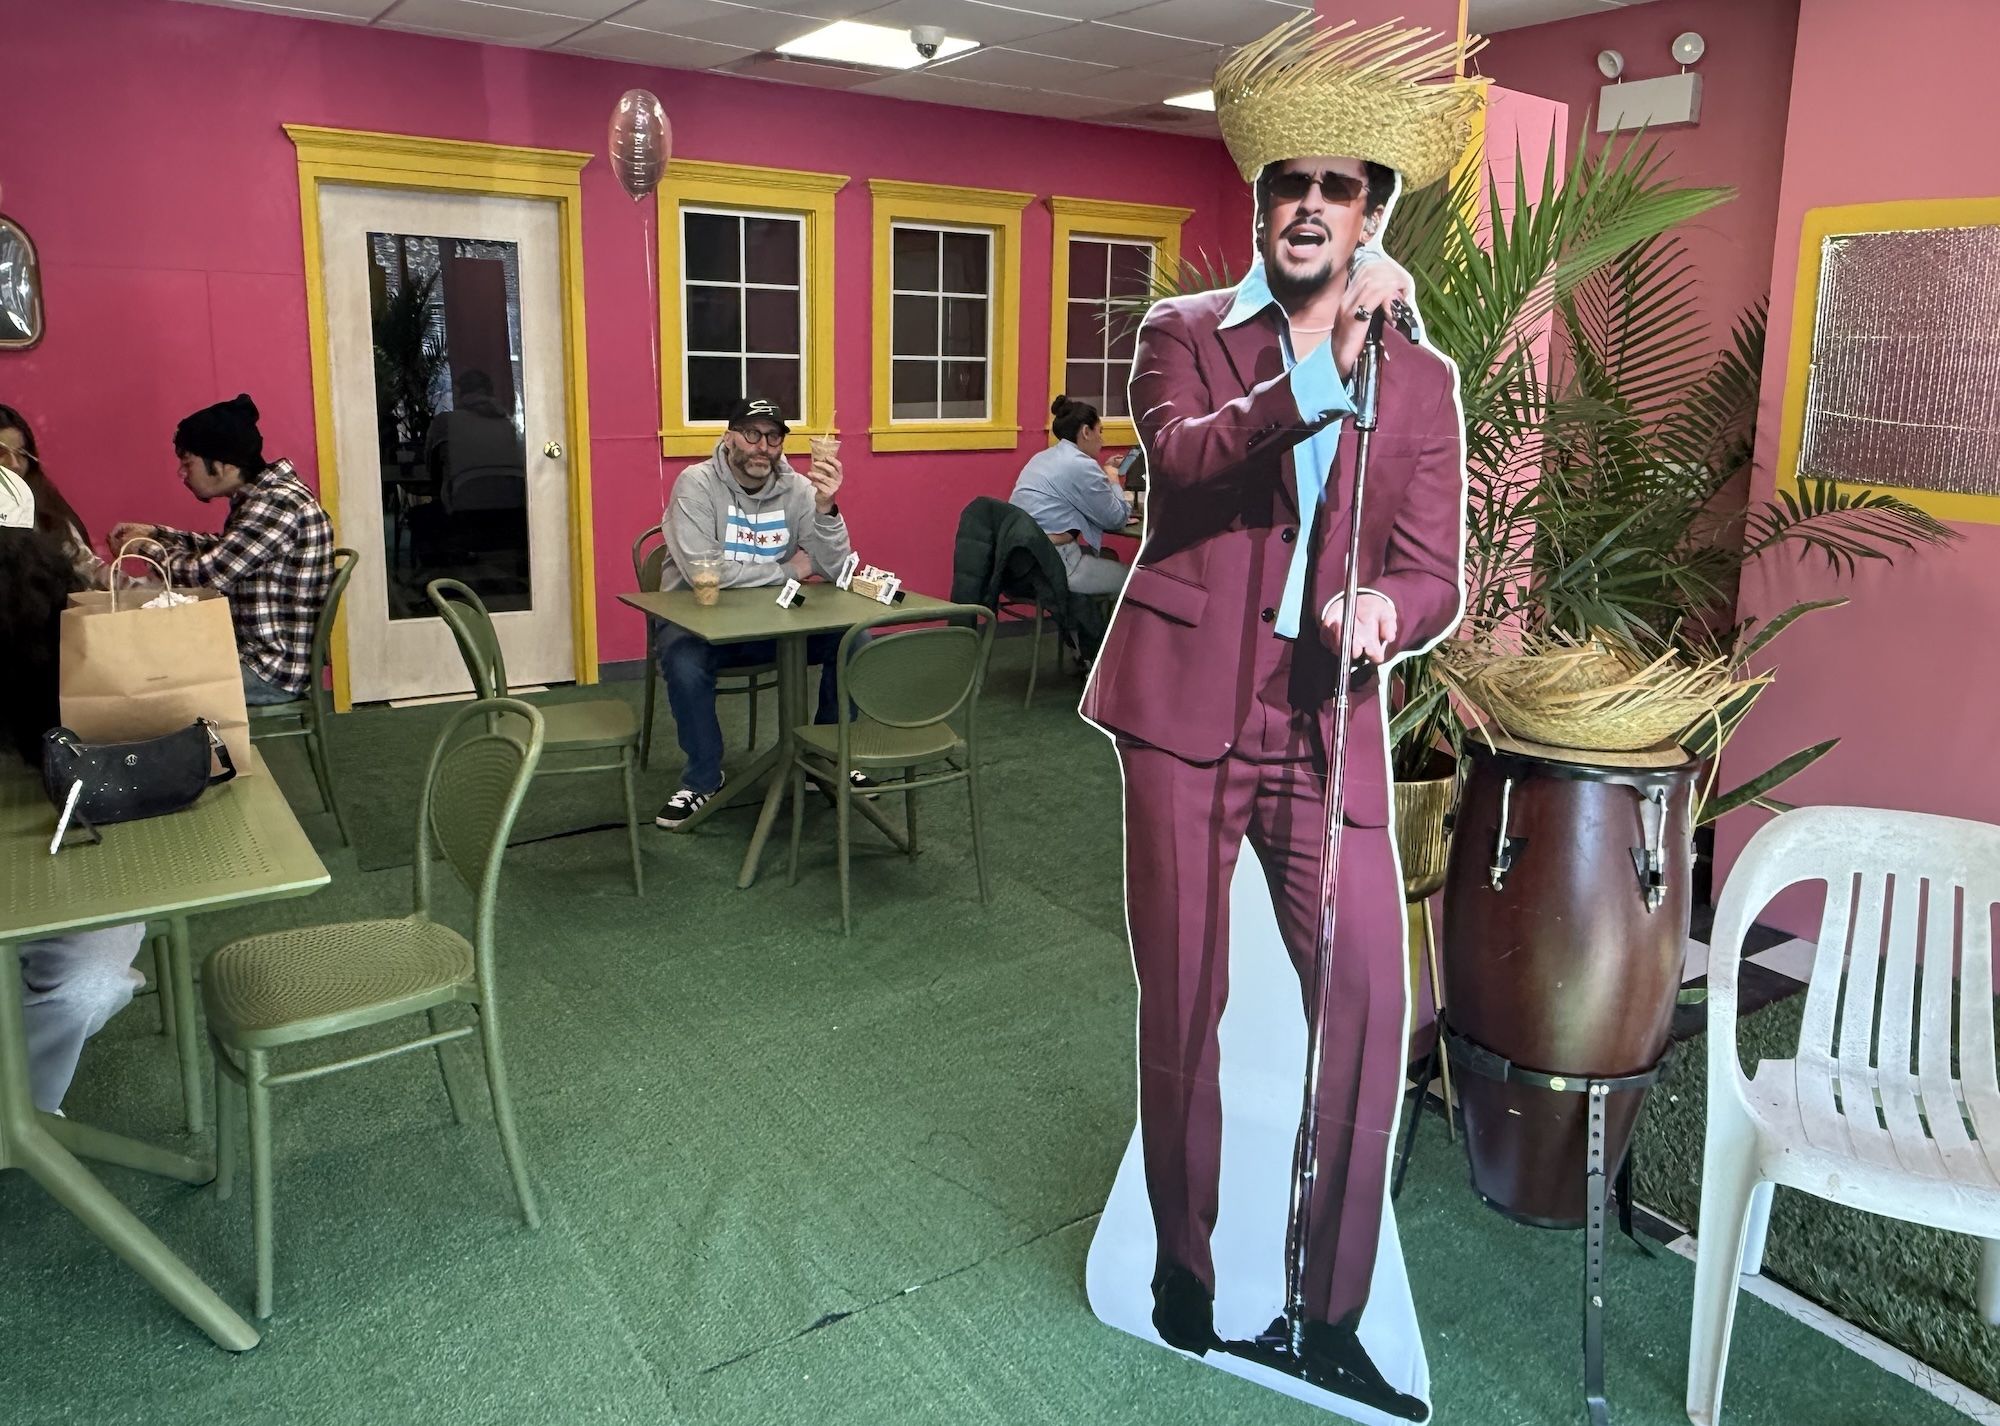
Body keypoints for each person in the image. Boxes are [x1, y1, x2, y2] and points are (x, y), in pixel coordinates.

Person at [1080, 16, 1473, 1418]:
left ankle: (1329, 1310)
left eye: (1339, 187)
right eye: (1287, 184)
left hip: (1322, 725)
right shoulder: (1183, 337)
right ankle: (1186, 1279)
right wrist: (1314, 355)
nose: (1310, 203)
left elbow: (1434, 567)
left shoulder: (1423, 386)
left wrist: (1389, 613)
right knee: (1185, 1000)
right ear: (1261, 206)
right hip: (1182, 709)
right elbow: (1183, 474)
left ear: (1375, 212)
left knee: (1373, 996)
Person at [653, 396, 855, 829]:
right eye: (752, 434)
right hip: (702, 625)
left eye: (774, 436)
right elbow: (702, 571)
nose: (763, 446)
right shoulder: (696, 483)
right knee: (681, 658)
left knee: (853, 638)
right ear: (728, 438)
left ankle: (826, 753)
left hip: (775, 625)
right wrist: (789, 570)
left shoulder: (800, 489)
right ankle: (703, 779)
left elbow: (836, 568)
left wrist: (826, 508)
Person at [0, 526, 145, 1114]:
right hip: (66, 859)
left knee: (87, 979)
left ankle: (25, 1116)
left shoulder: (72, 669)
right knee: (85, 980)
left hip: (74, 860)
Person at [109, 394, 334, 707]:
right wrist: (157, 534)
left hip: (269, 670)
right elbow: (225, 550)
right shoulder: (263, 497)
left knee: (148, 681)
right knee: (151, 664)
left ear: (224, 465)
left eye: (187, 463)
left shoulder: (277, 503)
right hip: (259, 658)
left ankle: (192, 754)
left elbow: (209, 575)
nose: (182, 474)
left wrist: (146, 549)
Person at [1008, 396, 1134, 597]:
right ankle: (1108, 628)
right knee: (1140, 582)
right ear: (1086, 432)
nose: (1103, 440)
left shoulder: (1042, 457)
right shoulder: (1082, 465)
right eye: (1099, 431)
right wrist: (1112, 476)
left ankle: (1095, 626)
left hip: (1021, 563)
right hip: (1055, 563)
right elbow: (1115, 520)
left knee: (1109, 557)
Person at [0, 403, 104, 582]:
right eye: (1, 453)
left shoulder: (47, 514)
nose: (15, 464)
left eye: (21, 453)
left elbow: (97, 579)